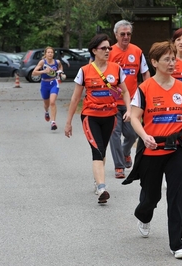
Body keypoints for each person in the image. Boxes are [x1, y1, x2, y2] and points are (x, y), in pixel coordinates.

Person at [122, 41, 182, 259]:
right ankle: (144, 214)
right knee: (151, 197)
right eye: (167, 60)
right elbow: (134, 117)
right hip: (152, 147)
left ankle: (176, 243)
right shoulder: (144, 89)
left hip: (177, 147)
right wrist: (144, 137)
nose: (172, 63)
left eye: (173, 59)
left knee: (178, 195)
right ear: (154, 62)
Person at [64, 33, 131, 204]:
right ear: (94, 50)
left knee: (102, 149)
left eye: (109, 48)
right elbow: (75, 98)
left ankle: (97, 180)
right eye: (104, 48)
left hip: (110, 115)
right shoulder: (84, 71)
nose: (108, 50)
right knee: (98, 150)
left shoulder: (116, 68)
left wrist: (129, 110)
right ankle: (102, 188)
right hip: (91, 116)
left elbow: (125, 91)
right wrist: (68, 122)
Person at [108, 20, 150, 179]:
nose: (126, 37)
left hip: (132, 103)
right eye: (122, 34)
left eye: (128, 34)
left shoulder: (137, 51)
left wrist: (146, 91)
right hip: (112, 102)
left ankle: (126, 153)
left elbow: (145, 73)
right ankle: (119, 166)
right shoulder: (109, 52)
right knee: (115, 134)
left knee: (132, 134)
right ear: (116, 35)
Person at [32, 46, 64, 130]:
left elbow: (60, 67)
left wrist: (60, 72)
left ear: (53, 54)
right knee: (46, 104)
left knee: (52, 102)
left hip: (54, 83)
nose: (50, 54)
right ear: (45, 54)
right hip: (44, 83)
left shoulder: (57, 62)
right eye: (48, 52)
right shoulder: (42, 62)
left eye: (52, 52)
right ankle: (46, 112)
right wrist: (43, 71)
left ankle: (53, 122)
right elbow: (34, 73)